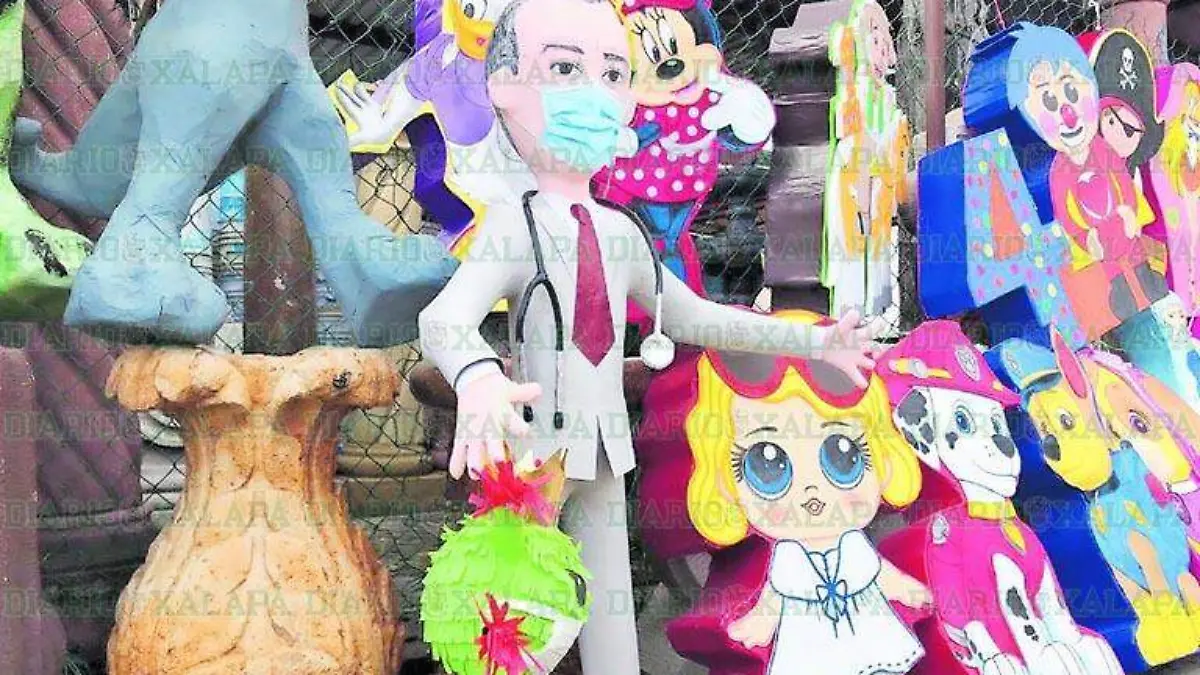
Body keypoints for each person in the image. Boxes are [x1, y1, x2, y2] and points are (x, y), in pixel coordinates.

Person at [416, 0, 878, 670]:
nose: (595, 94)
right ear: (505, 86)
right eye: (565, 69)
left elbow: (693, 316)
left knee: (611, 623)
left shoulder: (621, 233)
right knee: (510, 624)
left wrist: (810, 341)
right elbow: (443, 318)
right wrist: (477, 375)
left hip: (607, 450)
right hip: (535, 455)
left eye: (613, 73)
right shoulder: (515, 226)